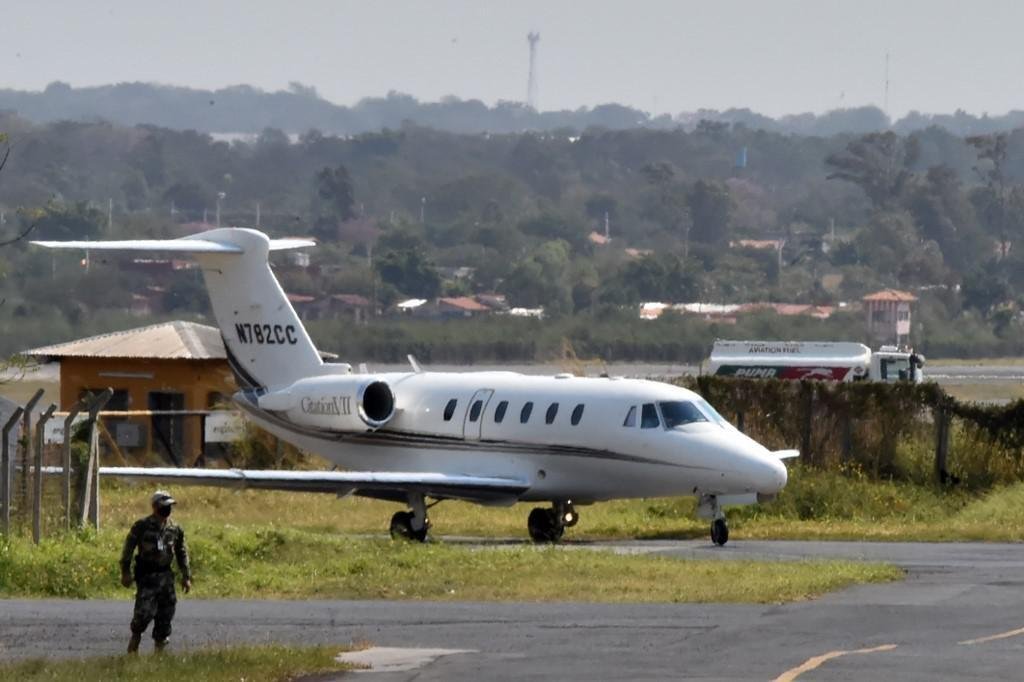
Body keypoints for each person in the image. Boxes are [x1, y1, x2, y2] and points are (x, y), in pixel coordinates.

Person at [119, 490, 192, 653]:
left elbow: (181, 552)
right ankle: (133, 647)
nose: (167, 509)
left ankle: (159, 655)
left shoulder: (175, 529)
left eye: (170, 506)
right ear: (154, 507)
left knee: (166, 614)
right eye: (164, 506)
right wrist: (125, 572)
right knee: (143, 614)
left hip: (166, 577)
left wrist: (186, 576)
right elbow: (128, 549)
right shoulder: (141, 526)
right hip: (147, 577)